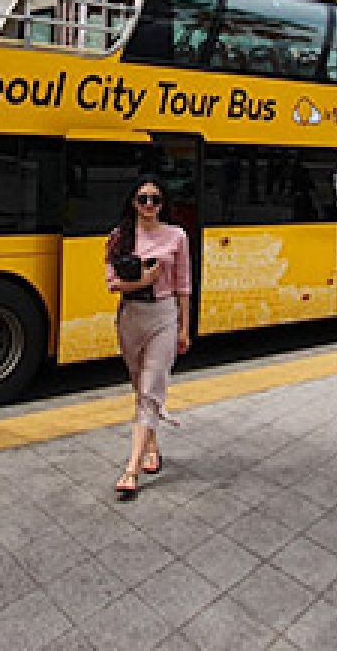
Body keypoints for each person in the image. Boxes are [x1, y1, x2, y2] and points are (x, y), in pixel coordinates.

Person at [106, 175, 191, 500]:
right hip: (130, 317)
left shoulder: (177, 237)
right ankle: (152, 446)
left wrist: (184, 327)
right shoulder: (119, 238)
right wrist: (144, 280)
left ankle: (132, 469)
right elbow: (112, 284)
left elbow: (183, 284)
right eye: (143, 199)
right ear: (133, 202)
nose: (150, 205)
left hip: (164, 316)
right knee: (140, 387)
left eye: (156, 199)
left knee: (151, 386)